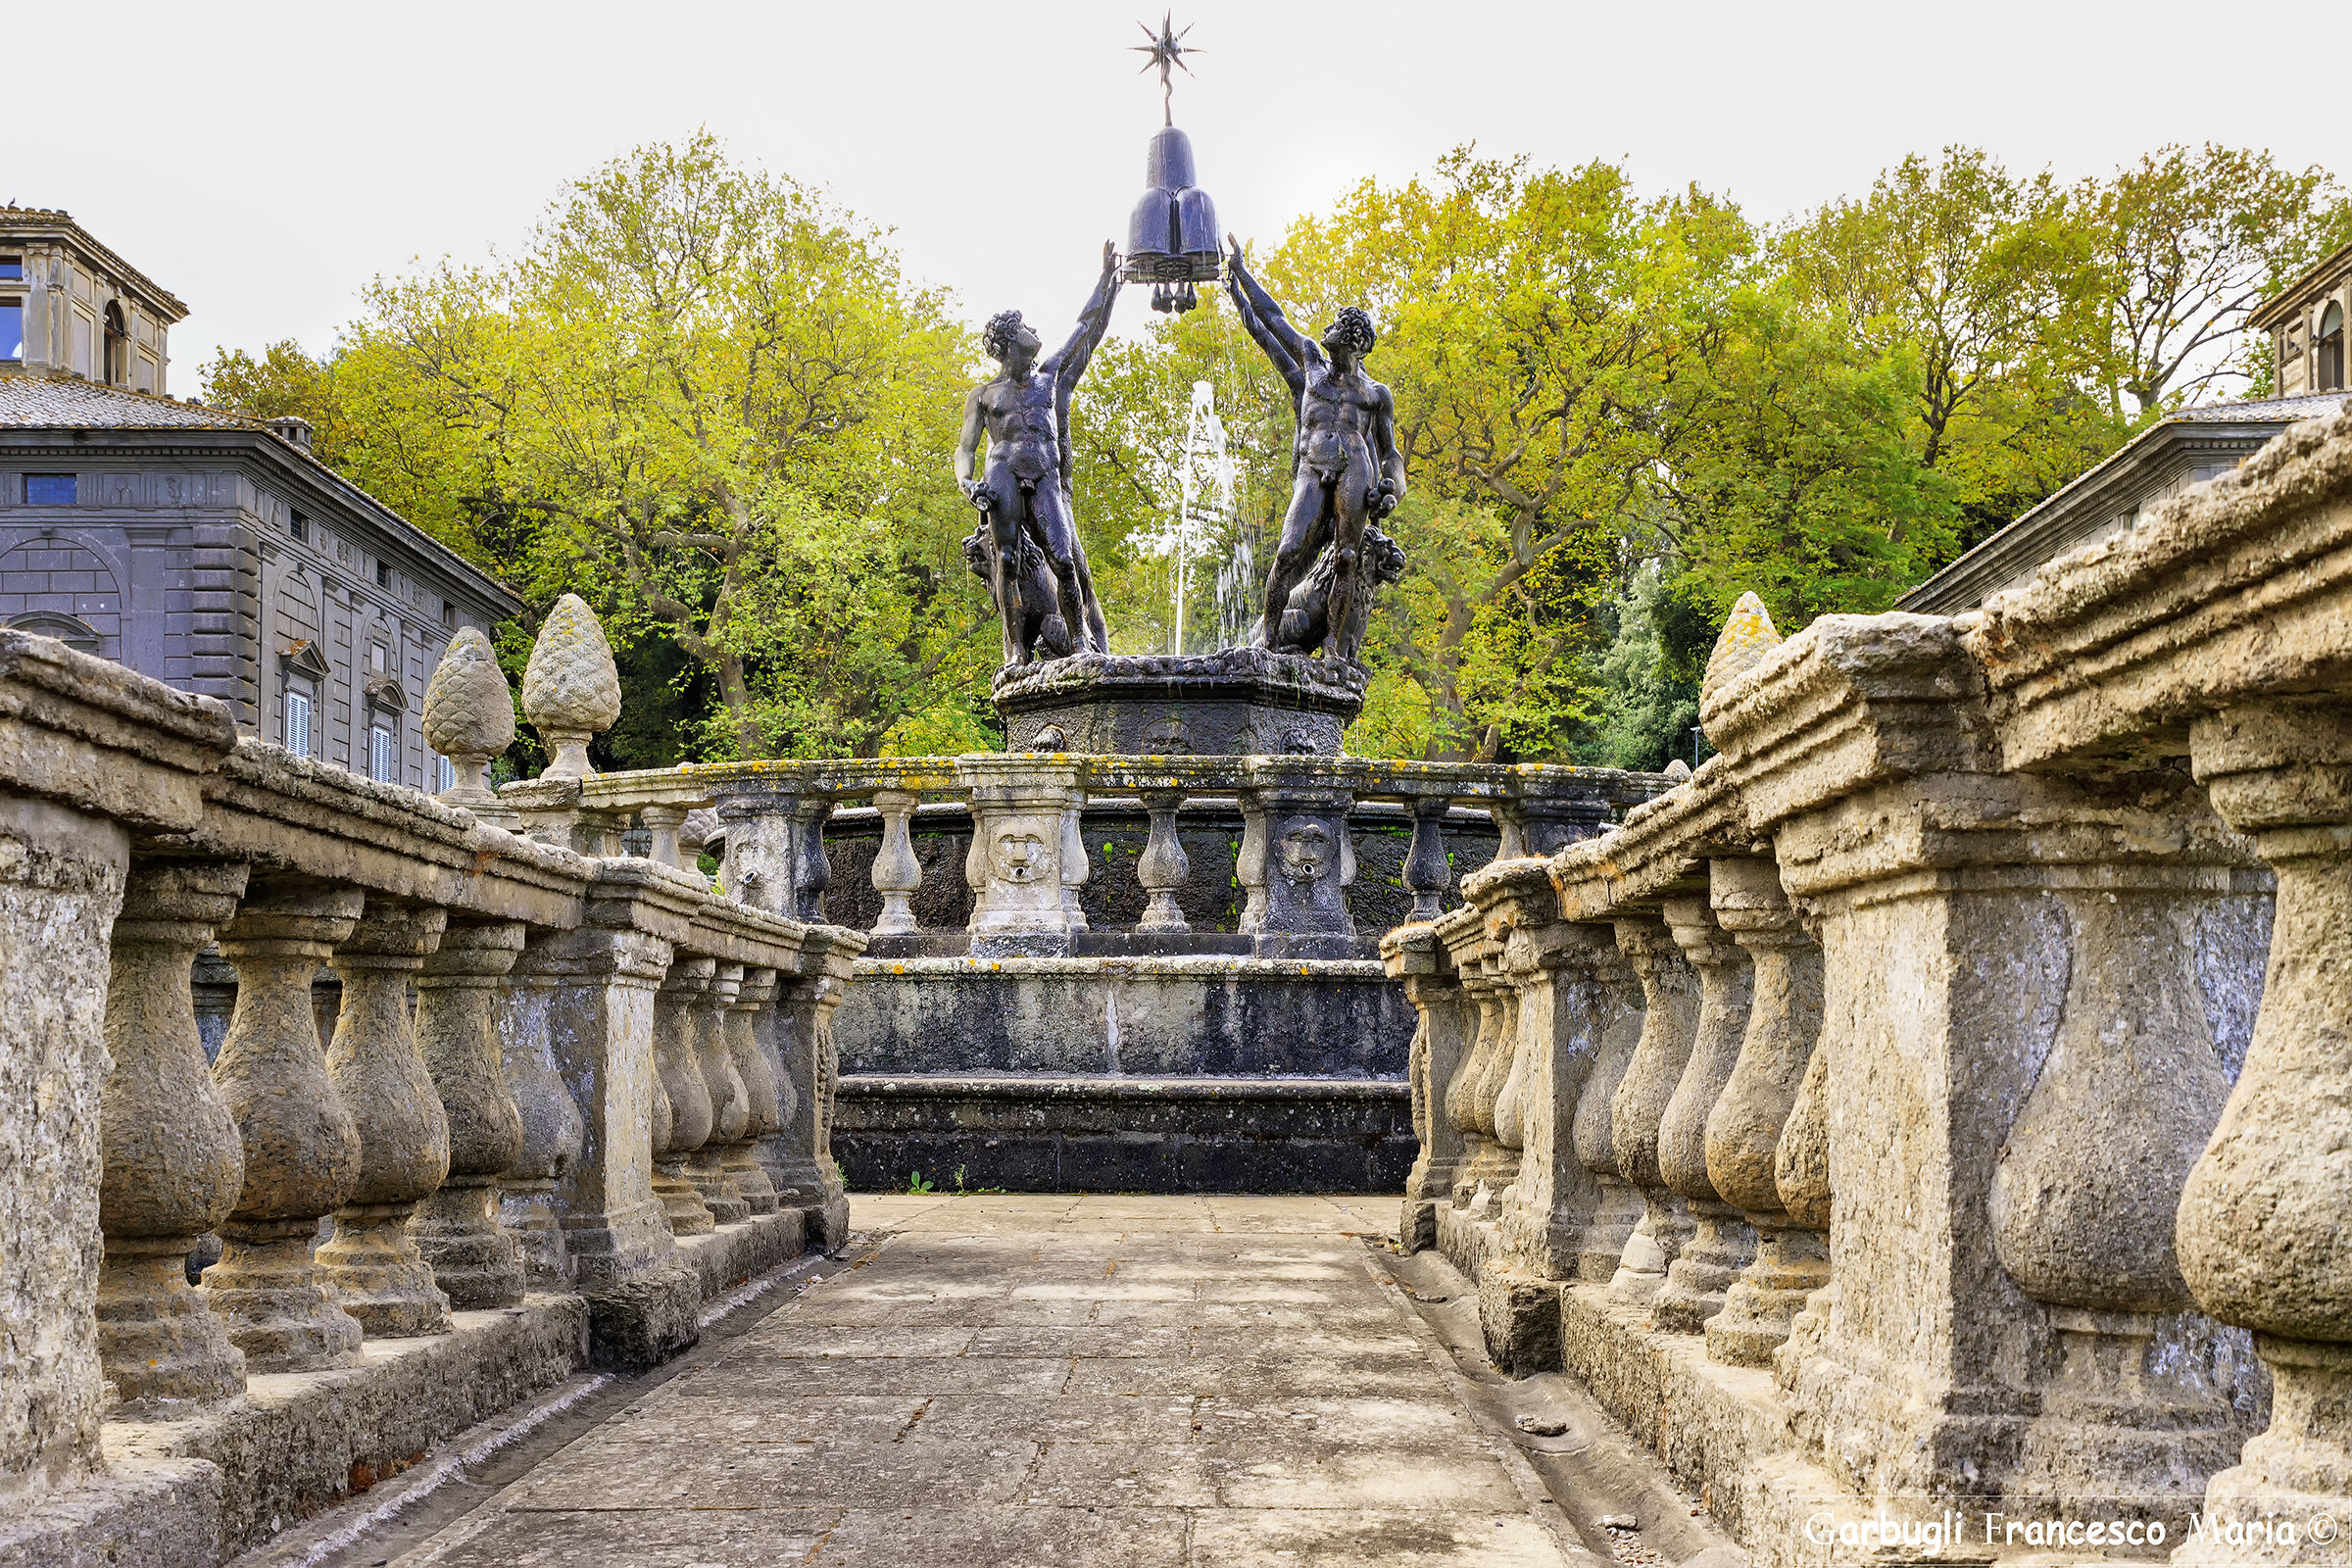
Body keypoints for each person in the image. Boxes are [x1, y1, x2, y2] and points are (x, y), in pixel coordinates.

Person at [1224, 235, 1406, 661]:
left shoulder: (1375, 394)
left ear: (1356, 341)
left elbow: (1392, 454)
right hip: (1313, 467)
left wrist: (1392, 488)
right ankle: (1266, 644)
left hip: (1354, 471)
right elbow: (1273, 318)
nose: (1327, 328)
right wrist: (1241, 272)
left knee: (1346, 556)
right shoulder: (1310, 362)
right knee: (1288, 553)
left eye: (1337, 324)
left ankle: (1333, 652)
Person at [955, 242, 1120, 664]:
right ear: (1010, 343)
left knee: (1063, 560)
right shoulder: (985, 395)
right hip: (1003, 475)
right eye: (1025, 328)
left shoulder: (1049, 379)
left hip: (1044, 473)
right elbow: (965, 450)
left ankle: (1081, 644)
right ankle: (1014, 652)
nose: (1035, 332)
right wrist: (968, 485)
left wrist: (1107, 281)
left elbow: (1085, 328)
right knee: (1007, 561)